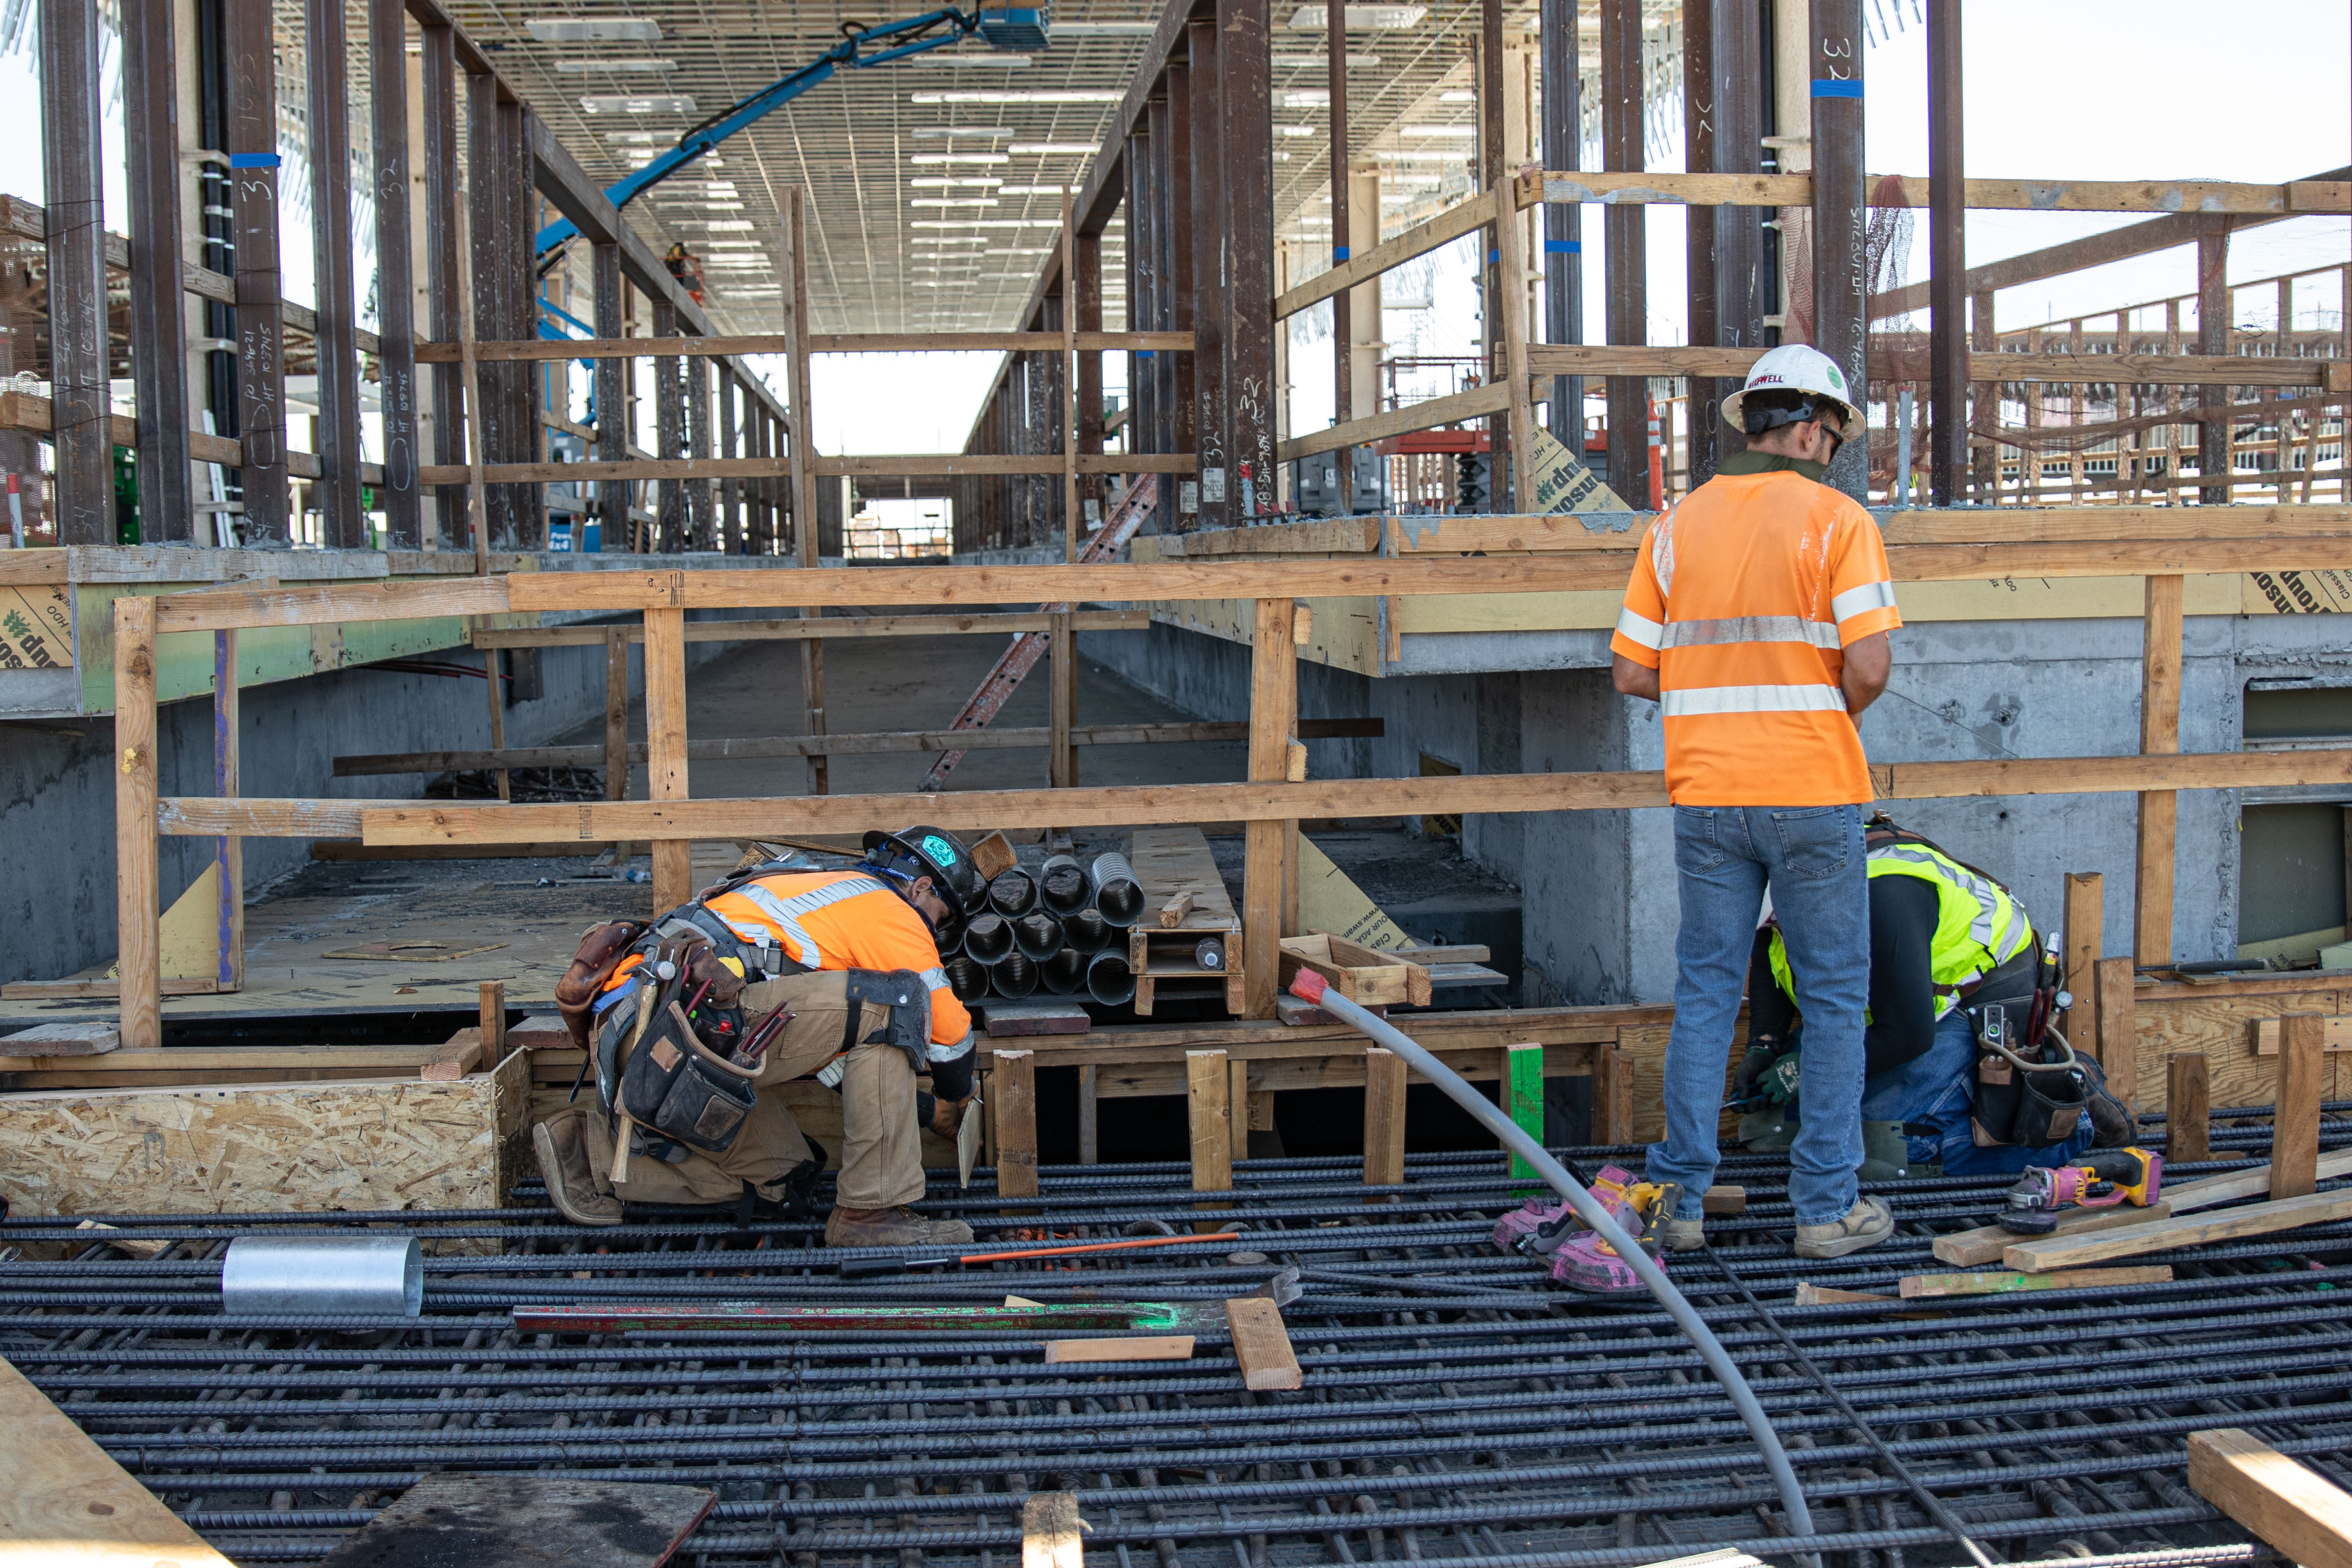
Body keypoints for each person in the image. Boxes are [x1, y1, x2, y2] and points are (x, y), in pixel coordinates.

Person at [1609, 343, 1901, 1262]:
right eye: (1832, 436)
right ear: (1814, 427)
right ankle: (1823, 1209)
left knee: (1705, 993)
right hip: (1810, 794)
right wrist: (1815, 711)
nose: (1830, 453)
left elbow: (1628, 670)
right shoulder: (1838, 521)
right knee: (1831, 996)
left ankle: (1680, 1200)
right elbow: (1869, 663)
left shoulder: (1674, 527)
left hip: (1707, 797)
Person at [534, 826, 986, 1247]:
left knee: (785, 1183)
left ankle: (589, 1154)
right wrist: (955, 1097)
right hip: (685, 1028)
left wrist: (925, 1111)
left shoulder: (808, 894)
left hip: (643, 1038)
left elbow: (833, 1051)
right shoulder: (887, 908)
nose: (933, 931)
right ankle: (873, 1214)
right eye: (939, 918)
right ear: (921, 888)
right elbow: (947, 1031)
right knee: (895, 1002)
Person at [1734, 816, 2118, 1178]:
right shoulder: (1780, 890)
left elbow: (1907, 1035)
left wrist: (1810, 1067)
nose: (1775, 929)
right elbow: (1771, 957)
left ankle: (2063, 1112)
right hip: (1890, 1008)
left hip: (1973, 1002)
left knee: (1880, 1150)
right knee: (1776, 1132)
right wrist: (1763, 1047)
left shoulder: (1883, 897)